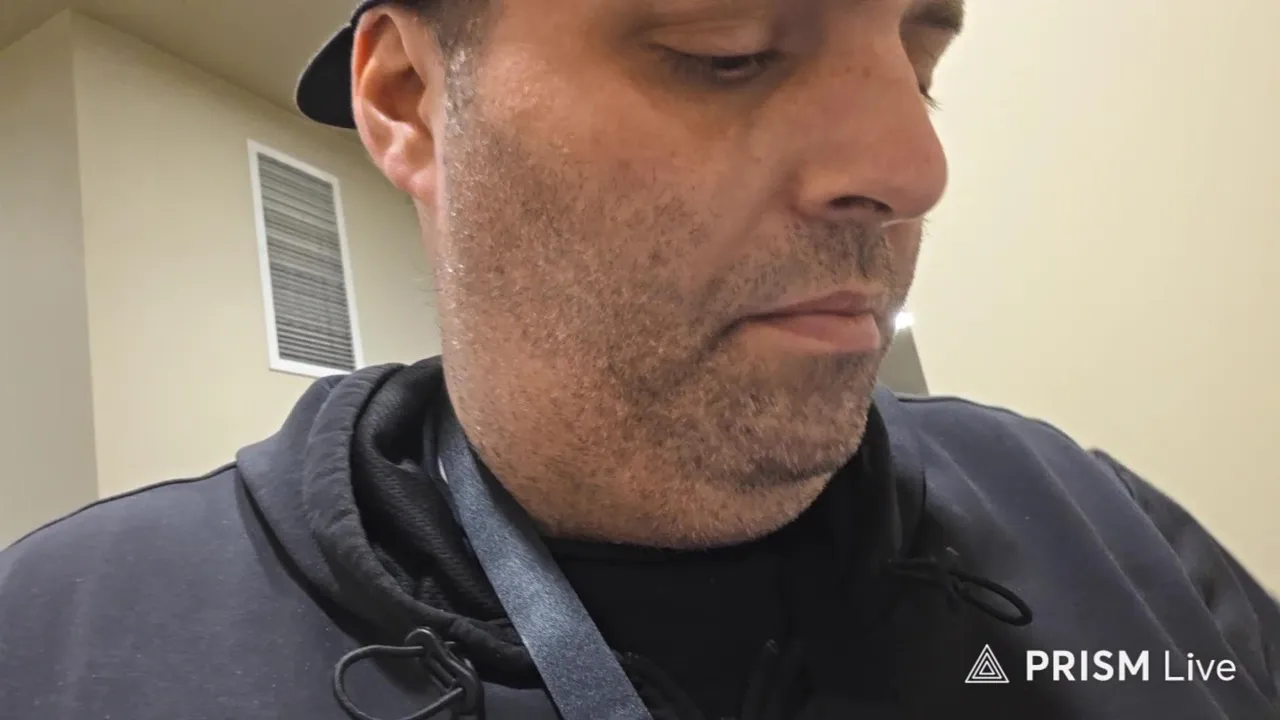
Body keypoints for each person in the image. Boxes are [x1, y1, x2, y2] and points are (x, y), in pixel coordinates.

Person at [1, 0, 1277, 717]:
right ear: (407, 103)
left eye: (917, 59)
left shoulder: (1105, 532)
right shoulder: (65, 650)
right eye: (725, 49)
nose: (911, 168)